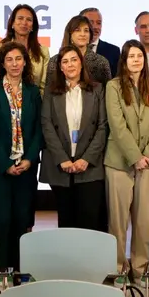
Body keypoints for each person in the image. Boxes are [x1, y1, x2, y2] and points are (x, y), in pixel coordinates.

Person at [104, 40, 149, 287]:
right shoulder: (113, 86)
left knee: (143, 221)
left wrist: (147, 154)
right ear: (124, 60)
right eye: (131, 56)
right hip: (119, 162)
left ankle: (140, 269)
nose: (136, 60)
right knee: (118, 220)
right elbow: (117, 125)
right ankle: (119, 268)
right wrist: (135, 156)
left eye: (139, 56)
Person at [0, 42, 44, 271]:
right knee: (1, 221)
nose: (14, 64)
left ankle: (19, 270)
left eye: (18, 59)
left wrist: (29, 158)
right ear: (2, 63)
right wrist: (6, 163)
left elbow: (39, 128)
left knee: (21, 219)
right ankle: (0, 270)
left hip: (26, 166)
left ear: (25, 62)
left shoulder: (32, 91)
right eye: (9, 59)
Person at [40, 46, 108, 230]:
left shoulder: (97, 90)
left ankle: (90, 260)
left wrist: (86, 159)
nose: (70, 64)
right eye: (65, 61)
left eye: (74, 59)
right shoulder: (51, 92)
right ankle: (68, 259)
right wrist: (62, 159)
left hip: (90, 166)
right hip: (61, 167)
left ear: (81, 63)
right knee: (66, 221)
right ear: (60, 67)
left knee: (90, 220)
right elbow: (46, 125)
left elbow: (103, 127)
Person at [0, 4, 51, 96]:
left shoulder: (43, 51)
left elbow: (44, 86)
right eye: (20, 18)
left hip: (33, 102)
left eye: (29, 20)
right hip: (2, 102)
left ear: (33, 26)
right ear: (12, 23)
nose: (24, 23)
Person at [46, 15, 112, 89]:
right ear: (70, 34)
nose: (82, 34)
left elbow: (107, 92)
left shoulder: (101, 62)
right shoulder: (54, 61)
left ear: (90, 35)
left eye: (86, 30)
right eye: (77, 30)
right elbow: (49, 92)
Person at [81, 7, 120, 77]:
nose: (95, 27)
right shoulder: (70, 52)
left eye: (99, 23)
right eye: (90, 22)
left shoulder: (114, 51)